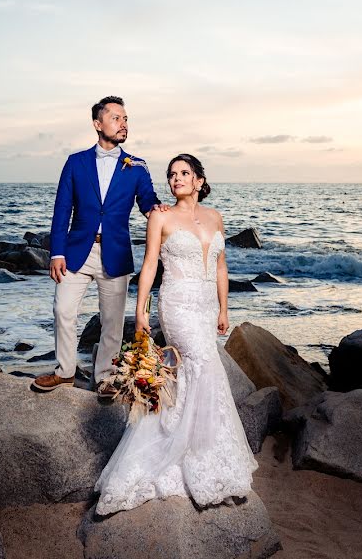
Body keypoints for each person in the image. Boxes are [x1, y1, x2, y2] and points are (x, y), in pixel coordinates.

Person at [94, 154, 257, 515]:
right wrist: (140, 311)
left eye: (184, 173)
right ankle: (187, 455)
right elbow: (150, 262)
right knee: (200, 362)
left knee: (194, 371)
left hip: (204, 306)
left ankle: (198, 446)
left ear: (199, 181)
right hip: (177, 303)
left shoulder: (215, 218)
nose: (176, 179)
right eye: (172, 175)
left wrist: (224, 308)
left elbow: (220, 266)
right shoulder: (160, 216)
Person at [32, 96, 166, 397]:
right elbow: (62, 209)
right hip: (77, 250)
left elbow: (148, 203)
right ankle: (65, 372)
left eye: (126, 119)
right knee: (63, 310)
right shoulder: (75, 162)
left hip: (115, 253)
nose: (124, 124)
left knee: (112, 321)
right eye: (117, 118)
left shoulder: (137, 166)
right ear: (98, 124)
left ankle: (104, 376)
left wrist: (165, 212)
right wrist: (57, 251)